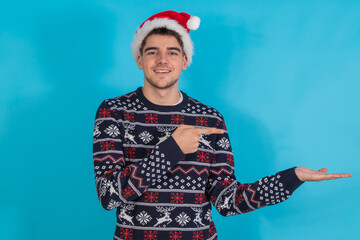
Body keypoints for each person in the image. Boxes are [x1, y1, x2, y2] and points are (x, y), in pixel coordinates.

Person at [93, 10, 351, 240]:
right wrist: (172, 148)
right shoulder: (114, 111)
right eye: (152, 52)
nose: (162, 60)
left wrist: (291, 178)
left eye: (172, 52)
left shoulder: (209, 118)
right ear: (140, 60)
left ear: (184, 61)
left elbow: (227, 201)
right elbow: (108, 196)